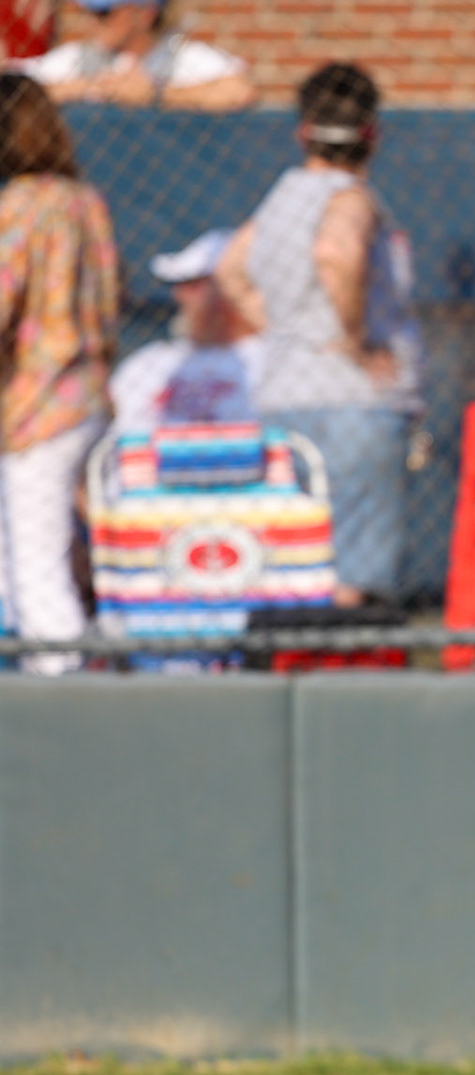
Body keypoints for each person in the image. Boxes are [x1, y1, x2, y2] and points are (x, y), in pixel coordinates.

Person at [217, 62, 420, 608]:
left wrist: (285, 327)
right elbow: (337, 252)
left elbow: (231, 270)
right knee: (355, 575)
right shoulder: (351, 197)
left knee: (296, 559)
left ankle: (297, 671)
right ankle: (344, 676)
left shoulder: (282, 199)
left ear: (302, 132)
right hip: (352, 402)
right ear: (372, 134)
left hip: (286, 398)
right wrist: (351, 340)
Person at [0, 72, 116, 672]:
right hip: (89, 395)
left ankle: (58, 695)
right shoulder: (83, 200)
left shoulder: (19, 206)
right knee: (53, 555)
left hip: (37, 404)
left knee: (36, 563)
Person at [108, 228, 264, 439]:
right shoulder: (146, 363)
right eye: (179, 285)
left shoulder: (272, 361)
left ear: (235, 288)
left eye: (194, 285)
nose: (179, 296)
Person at [13, 0, 255, 112]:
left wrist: (156, 94)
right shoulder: (77, 57)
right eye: (92, 12)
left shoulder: (183, 56)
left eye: (106, 13)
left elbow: (240, 91)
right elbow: (12, 86)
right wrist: (86, 88)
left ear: (145, 14)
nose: (93, 21)